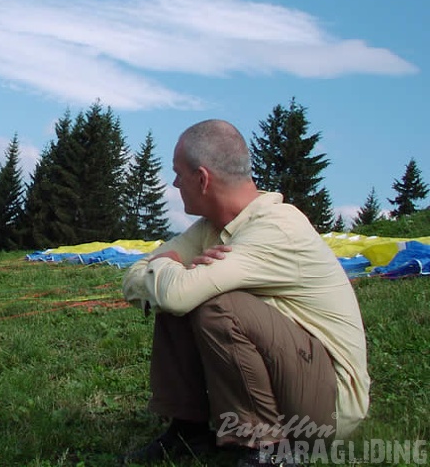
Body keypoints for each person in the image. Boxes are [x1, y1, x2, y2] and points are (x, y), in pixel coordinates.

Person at [120, 120, 369, 467]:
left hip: (327, 408)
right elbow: (135, 276)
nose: (174, 183)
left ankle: (265, 451)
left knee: (216, 305)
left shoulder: (277, 228)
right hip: (290, 379)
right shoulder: (212, 227)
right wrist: (171, 272)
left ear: (202, 178)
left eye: (178, 174)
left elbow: (172, 289)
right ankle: (189, 430)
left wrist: (170, 270)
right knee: (182, 289)